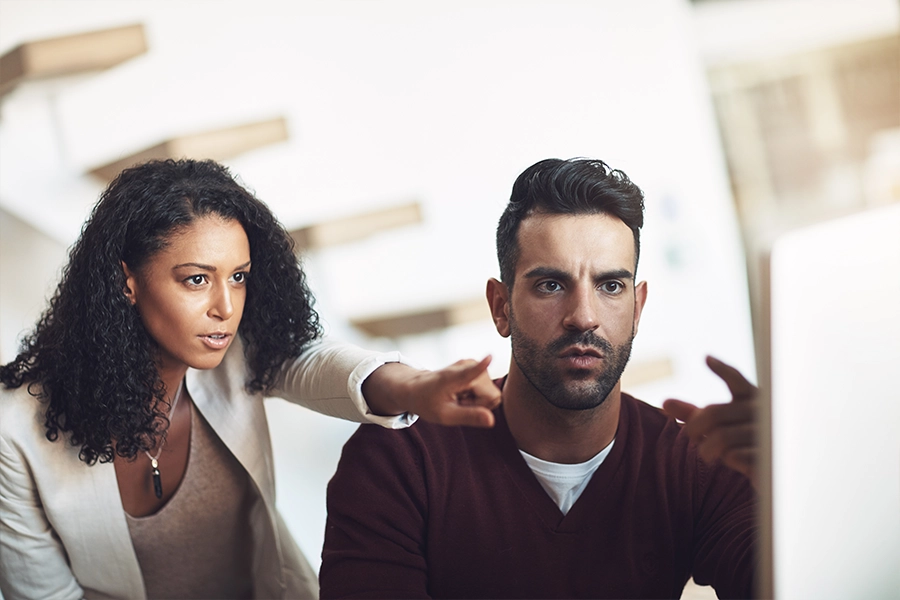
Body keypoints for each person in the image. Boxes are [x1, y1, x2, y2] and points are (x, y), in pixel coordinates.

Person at [0, 159, 501, 600]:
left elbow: (311, 361)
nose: (225, 307)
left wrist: (414, 387)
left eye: (237, 276)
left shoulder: (236, 357)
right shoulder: (15, 432)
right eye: (197, 279)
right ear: (125, 282)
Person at [320, 158, 759, 599]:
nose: (584, 317)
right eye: (551, 285)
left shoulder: (699, 467)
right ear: (501, 306)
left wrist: (785, 486)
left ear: (637, 308)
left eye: (610, 286)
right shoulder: (399, 462)